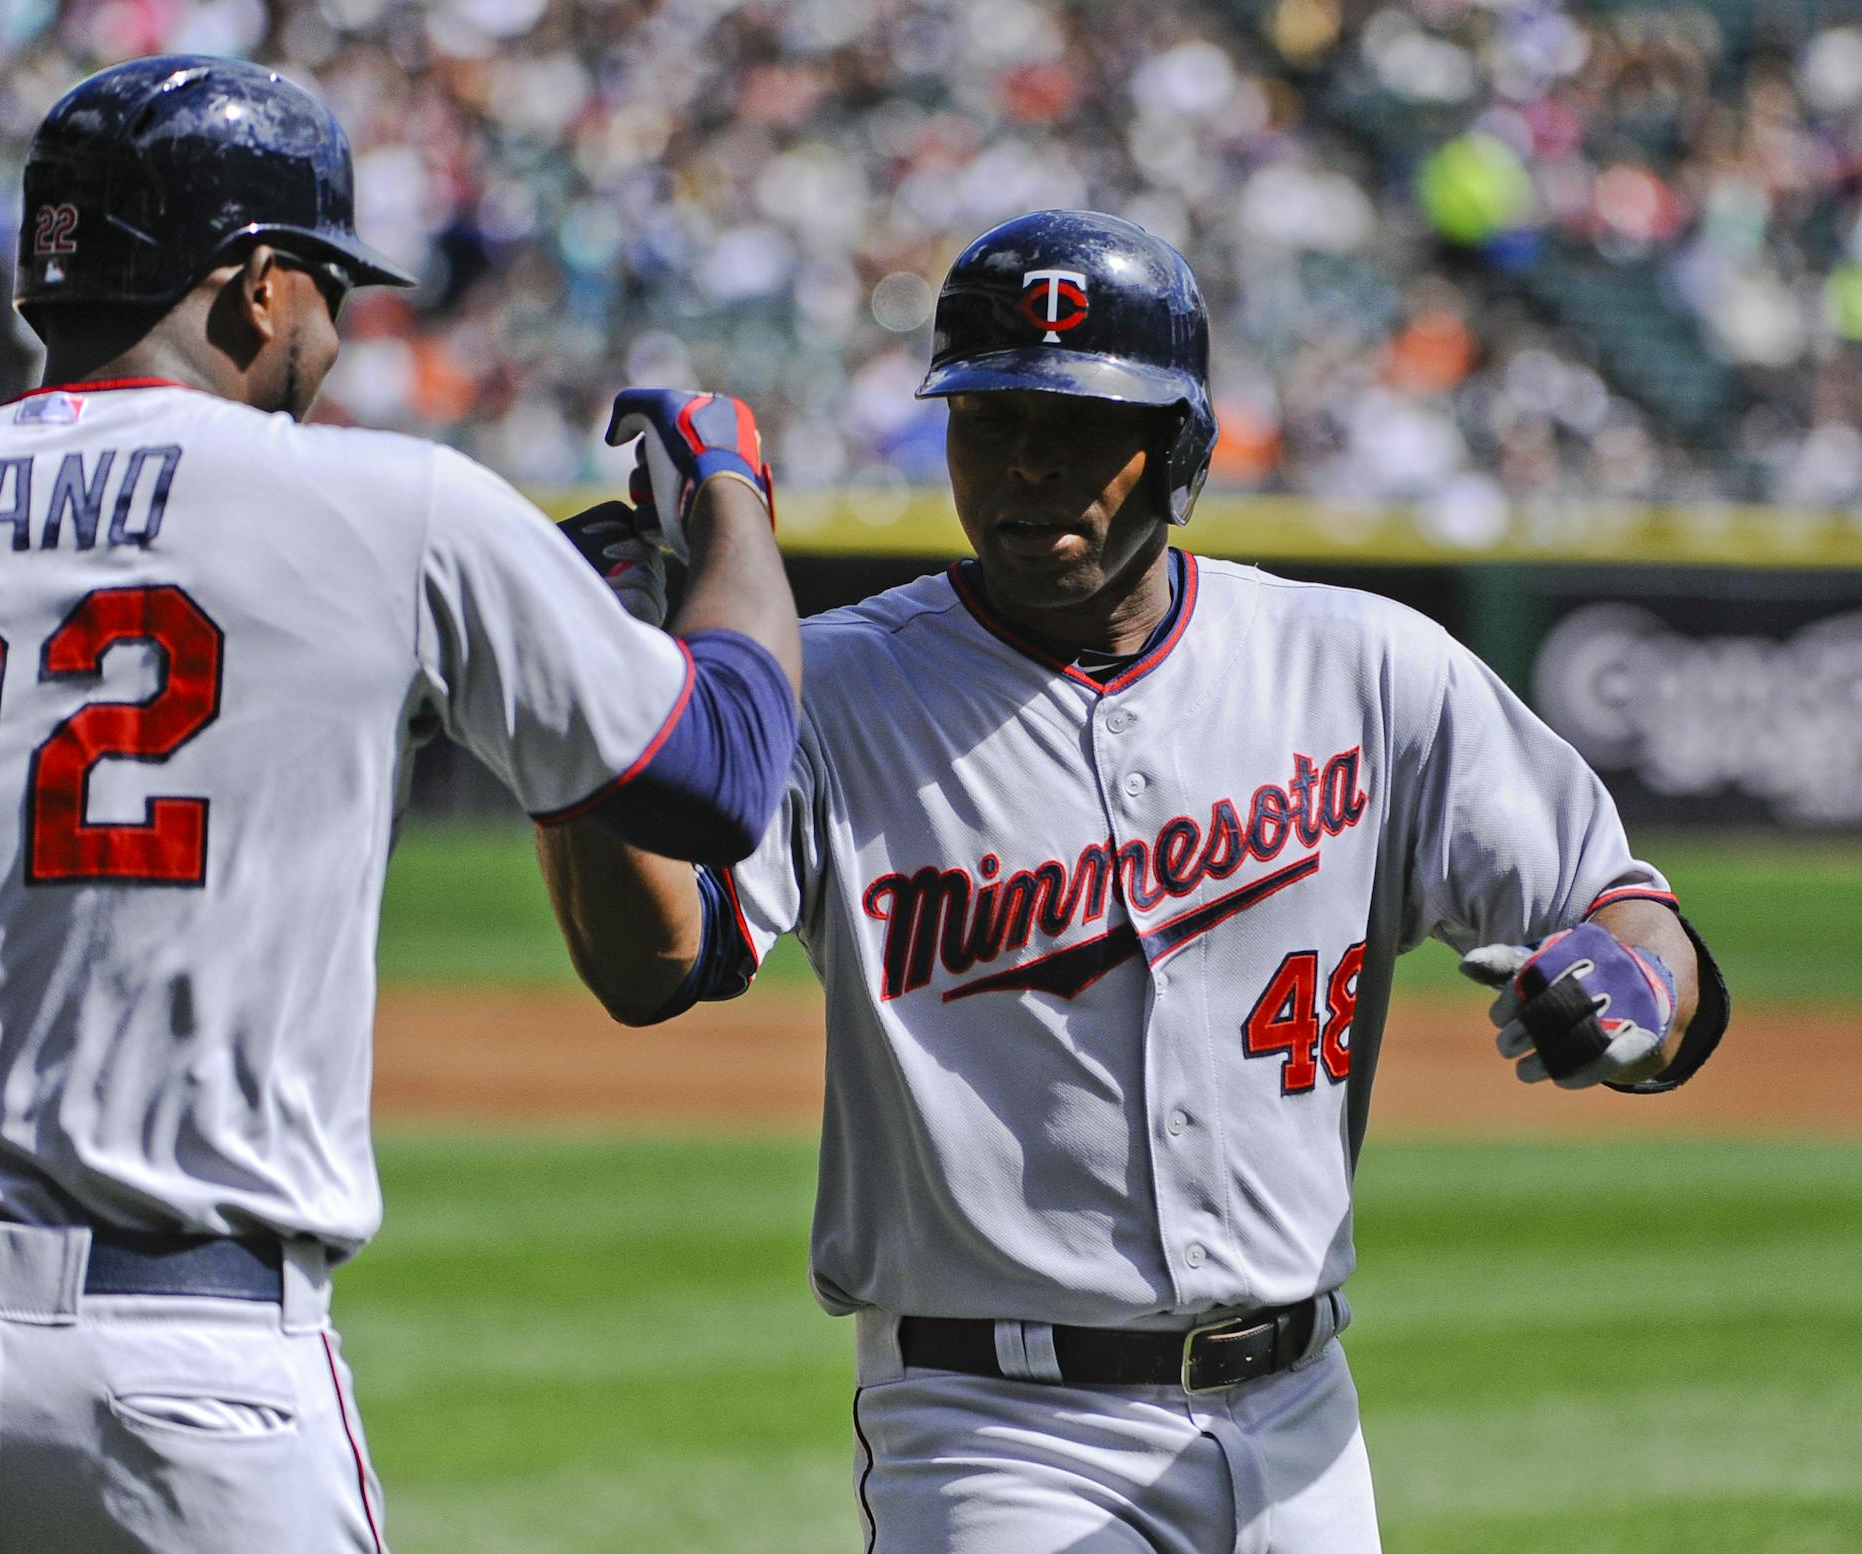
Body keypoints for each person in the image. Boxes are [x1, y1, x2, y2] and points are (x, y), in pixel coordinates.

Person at [0, 54, 800, 1554]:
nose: (340, 336)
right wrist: (731, 495)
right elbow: (726, 768)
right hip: (187, 1364)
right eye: (331, 292)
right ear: (257, 286)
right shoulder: (390, 506)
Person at [538, 209, 1729, 1554]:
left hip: (1305, 1424)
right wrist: (581, 723)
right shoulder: (837, 692)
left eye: (1084, 424)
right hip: (996, 1430)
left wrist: (1634, 981)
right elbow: (654, 961)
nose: (1030, 464)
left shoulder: (1366, 670)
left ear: (1181, 451)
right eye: (992, 421)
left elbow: (1634, 918)